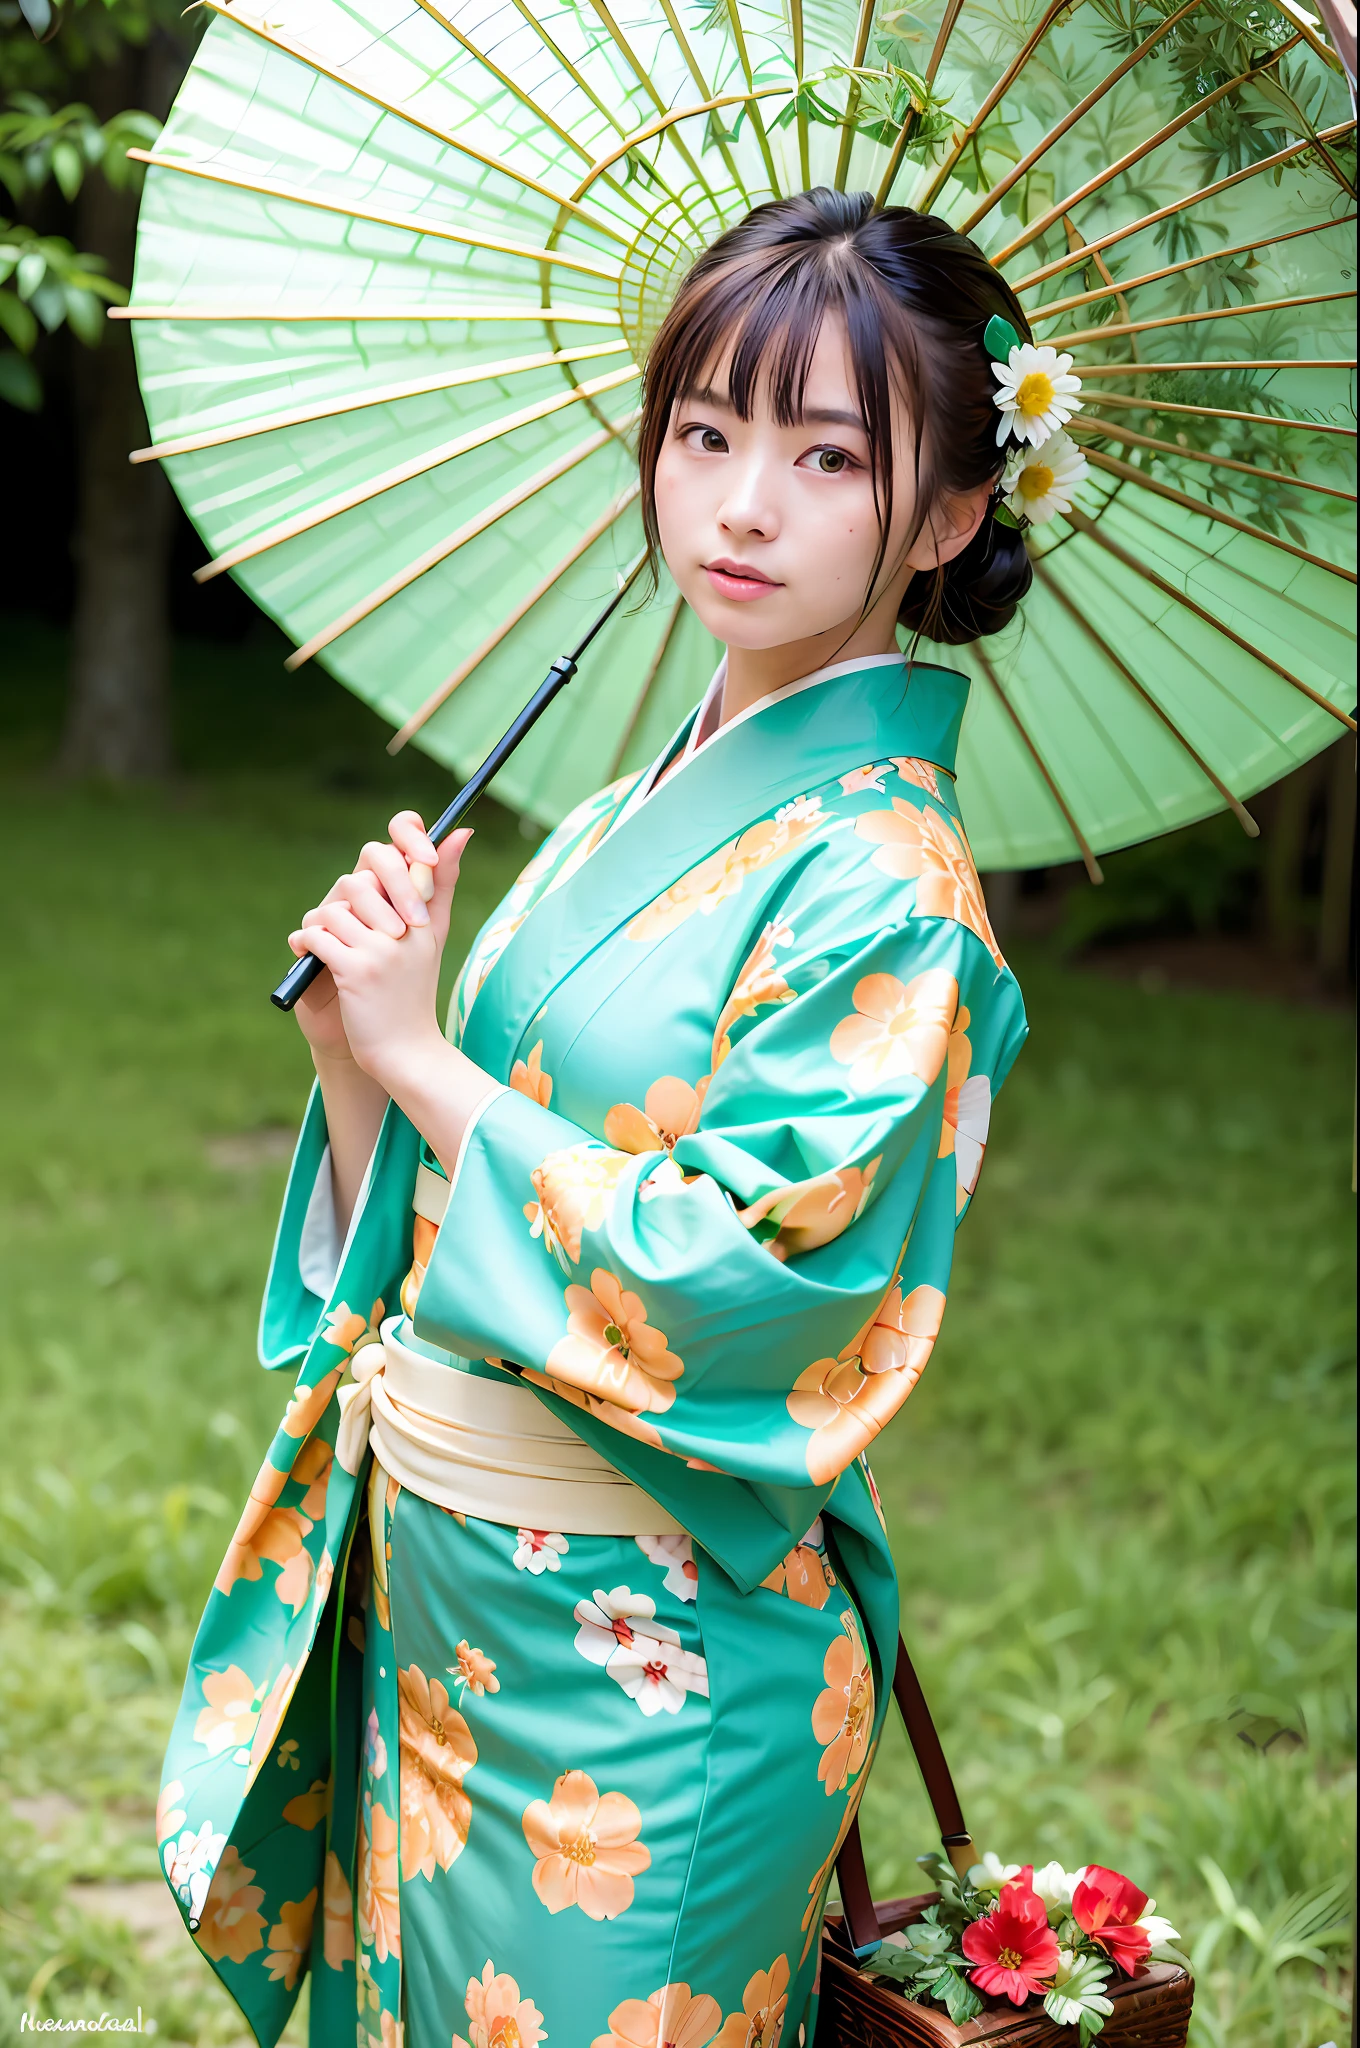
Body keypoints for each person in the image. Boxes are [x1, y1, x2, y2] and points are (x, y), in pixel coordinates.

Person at [156, 189, 1033, 2048]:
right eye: (706, 431)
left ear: (949, 512)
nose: (739, 504)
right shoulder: (643, 797)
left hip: (656, 1668)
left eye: (825, 455)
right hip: (464, 1610)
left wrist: (427, 1062)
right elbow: (458, 1173)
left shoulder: (893, 888)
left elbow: (751, 1288)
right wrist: (359, 1053)